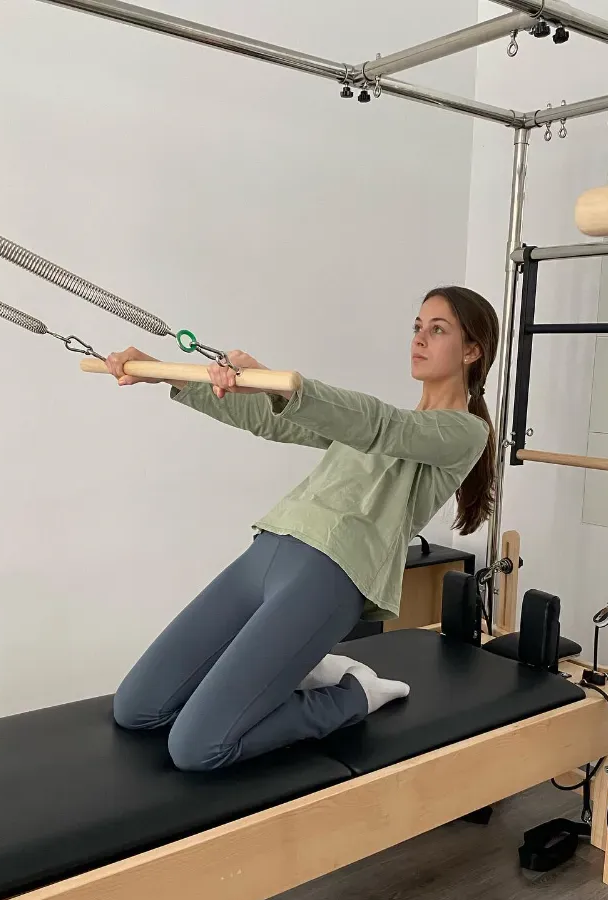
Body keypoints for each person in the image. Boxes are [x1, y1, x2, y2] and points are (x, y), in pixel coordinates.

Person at [108, 286, 499, 771]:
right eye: (416, 327)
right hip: (270, 550)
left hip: (330, 576)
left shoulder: (462, 433)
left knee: (196, 747)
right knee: (135, 708)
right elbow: (271, 422)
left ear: (472, 350)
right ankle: (302, 666)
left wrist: (278, 383)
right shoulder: (371, 424)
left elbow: (385, 428)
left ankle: (355, 694)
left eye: (437, 329)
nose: (419, 338)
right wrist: (158, 372)